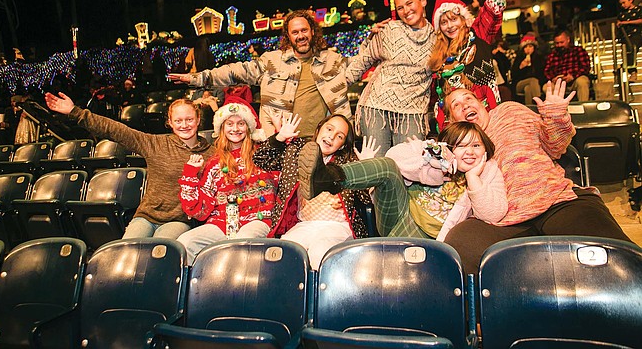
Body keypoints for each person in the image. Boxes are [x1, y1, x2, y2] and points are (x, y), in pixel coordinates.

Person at [439, 82, 632, 274]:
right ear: (452, 120)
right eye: (456, 105)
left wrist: (556, 116)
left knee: (615, 254)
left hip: (557, 201)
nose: (464, 105)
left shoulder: (510, 111)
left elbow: (555, 147)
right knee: (459, 245)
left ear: (481, 104)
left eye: (469, 98)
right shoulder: (456, 147)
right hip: (504, 221)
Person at [298, 121, 507, 242]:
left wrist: (473, 178)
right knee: (386, 167)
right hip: (400, 214)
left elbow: (494, 213)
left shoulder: (488, 171)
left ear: (485, 150)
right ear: (451, 147)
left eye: (476, 146)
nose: (469, 152)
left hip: (430, 239)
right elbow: (394, 157)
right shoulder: (434, 151)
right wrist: (434, 165)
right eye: (461, 146)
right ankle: (325, 179)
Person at [44, 92, 214, 239]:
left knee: (156, 252)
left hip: (180, 220)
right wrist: (75, 112)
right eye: (178, 120)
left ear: (198, 120)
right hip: (147, 216)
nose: (184, 125)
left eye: (189, 119)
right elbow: (115, 130)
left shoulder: (211, 153)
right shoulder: (156, 143)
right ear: (170, 122)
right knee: (126, 249)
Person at [429, 0, 550, 128]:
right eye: (444, 22)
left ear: (464, 19)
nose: (450, 25)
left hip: (489, 121)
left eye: (454, 19)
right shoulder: (437, 54)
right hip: (455, 129)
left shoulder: (479, 34)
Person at [168, 10, 351, 138]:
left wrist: (377, 37)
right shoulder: (271, 61)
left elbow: (362, 63)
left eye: (304, 30)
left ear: (312, 31)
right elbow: (234, 72)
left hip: (323, 142)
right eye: (295, 32)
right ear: (288, 36)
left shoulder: (333, 60)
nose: (300, 36)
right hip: (282, 142)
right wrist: (196, 78)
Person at [252, 114, 372, 270]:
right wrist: (280, 137)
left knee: (320, 252)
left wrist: (366, 169)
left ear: (342, 145)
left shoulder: (349, 161)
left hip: (337, 226)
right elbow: (261, 159)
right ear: (319, 129)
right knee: (285, 254)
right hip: (305, 224)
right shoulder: (297, 151)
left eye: (339, 136)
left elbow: (366, 200)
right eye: (329, 129)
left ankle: (321, 293)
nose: (332, 136)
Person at [176, 98, 277, 264]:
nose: (235, 129)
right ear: (222, 128)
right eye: (229, 124)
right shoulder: (214, 164)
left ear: (249, 128)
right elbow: (199, 212)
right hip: (222, 223)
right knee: (185, 243)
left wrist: (281, 136)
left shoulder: (263, 156)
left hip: (257, 221)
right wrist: (190, 176)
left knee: (241, 243)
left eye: (241, 123)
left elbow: (287, 173)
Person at [345, 0, 435, 157]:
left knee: (411, 166)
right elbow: (363, 61)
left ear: (423, 0)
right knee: (377, 167)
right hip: (377, 108)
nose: (406, 11)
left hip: (413, 112)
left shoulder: (438, 38)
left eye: (410, 3)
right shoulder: (390, 30)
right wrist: (333, 90)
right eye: (400, 7)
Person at [543, 30, 591, 101]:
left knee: (582, 82)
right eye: (557, 43)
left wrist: (572, 76)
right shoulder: (552, 55)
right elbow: (547, 71)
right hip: (558, 83)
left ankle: (583, 108)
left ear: (568, 40)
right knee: (546, 87)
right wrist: (553, 78)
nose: (559, 45)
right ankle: (555, 109)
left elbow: (585, 67)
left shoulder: (578, 50)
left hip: (575, 79)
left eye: (562, 42)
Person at [512, 34, 546, 104]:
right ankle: (539, 102)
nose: (528, 49)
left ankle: (531, 109)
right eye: (525, 47)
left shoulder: (539, 58)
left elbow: (541, 75)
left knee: (528, 89)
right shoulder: (519, 58)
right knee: (533, 80)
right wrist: (521, 67)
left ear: (534, 48)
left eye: (530, 46)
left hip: (534, 85)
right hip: (520, 84)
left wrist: (534, 65)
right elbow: (513, 76)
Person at [616, 0, 642, 81]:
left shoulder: (639, 10)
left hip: (637, 34)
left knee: (631, 49)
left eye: (624, 2)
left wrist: (627, 22)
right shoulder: (622, 13)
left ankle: (633, 72)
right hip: (625, 36)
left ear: (631, 0)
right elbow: (619, 22)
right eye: (621, 3)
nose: (622, 5)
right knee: (626, 52)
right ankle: (630, 71)